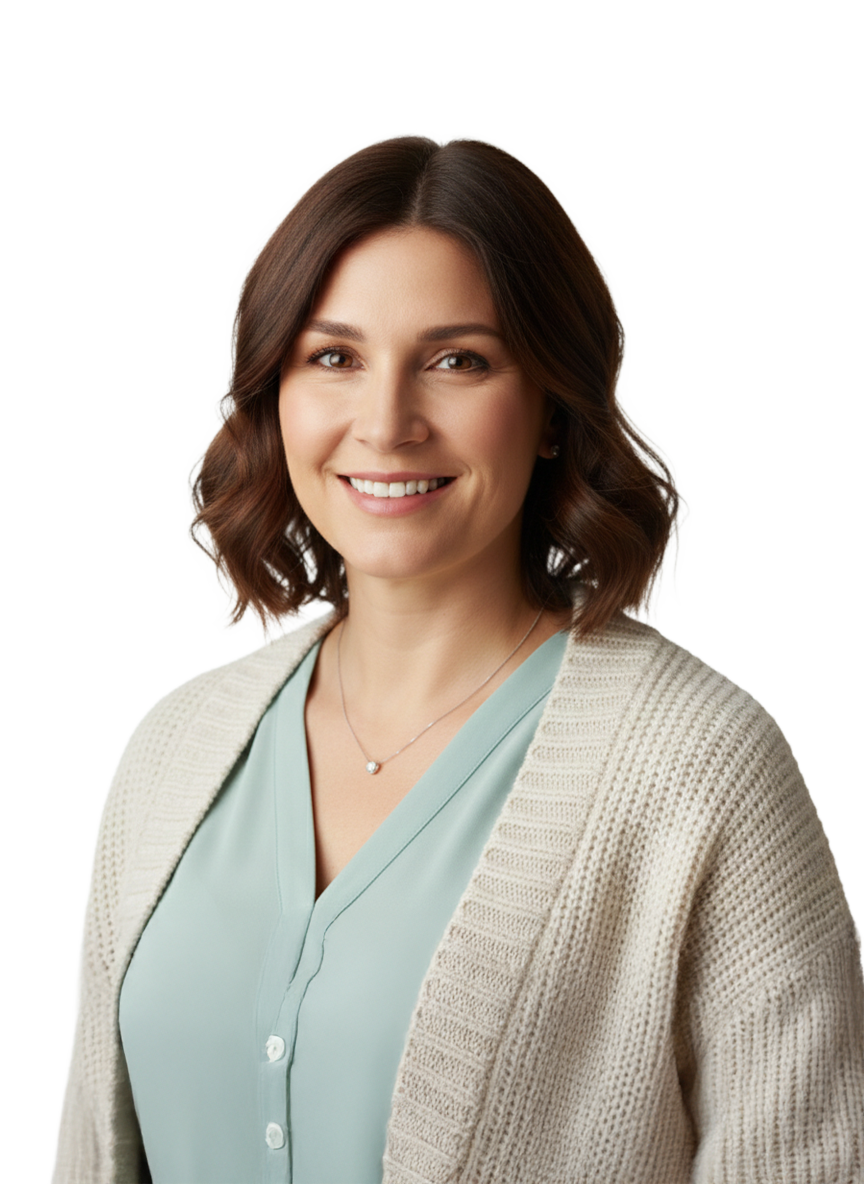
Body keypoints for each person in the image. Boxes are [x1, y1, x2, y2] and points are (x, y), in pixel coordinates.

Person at [51, 132, 864, 1184]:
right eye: (332, 357)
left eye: (458, 360)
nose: (385, 423)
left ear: (552, 413)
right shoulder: (168, 753)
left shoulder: (701, 770)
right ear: (274, 396)